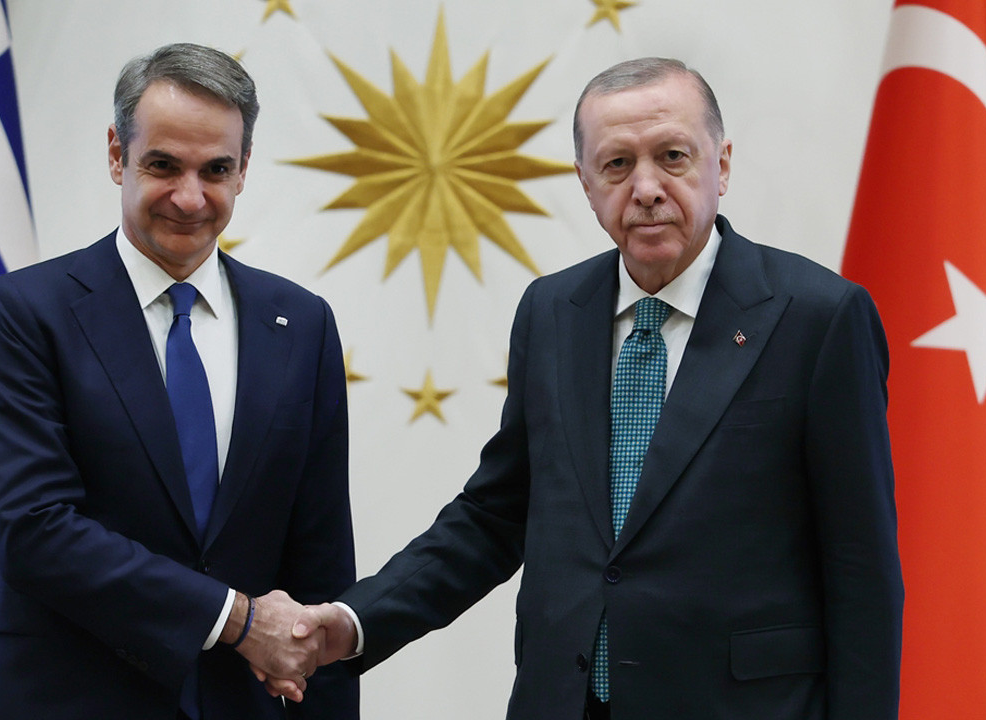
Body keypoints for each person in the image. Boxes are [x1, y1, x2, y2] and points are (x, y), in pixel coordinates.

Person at [289, 57, 903, 719]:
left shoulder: (819, 317)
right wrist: (355, 620)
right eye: (617, 164)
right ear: (585, 183)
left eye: (672, 157)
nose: (646, 189)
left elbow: (861, 568)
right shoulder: (552, 312)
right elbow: (495, 515)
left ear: (721, 166)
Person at [0, 43, 357, 719]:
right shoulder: (26, 313)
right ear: (117, 156)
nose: (190, 197)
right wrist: (234, 618)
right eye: (163, 165)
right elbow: (34, 531)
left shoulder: (302, 324)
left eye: (216, 170)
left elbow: (319, 562)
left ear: (244, 169)